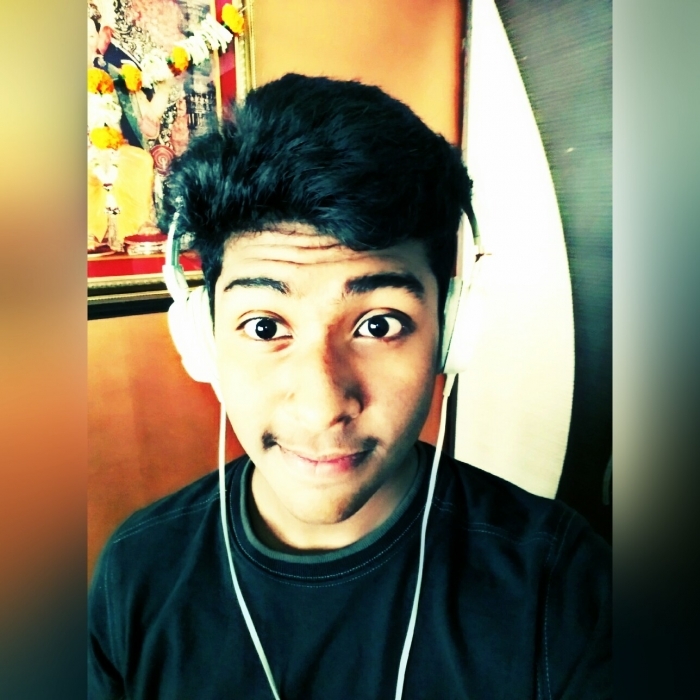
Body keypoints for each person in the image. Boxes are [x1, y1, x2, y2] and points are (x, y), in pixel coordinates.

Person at [88, 73, 611, 699]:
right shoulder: (136, 572)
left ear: (451, 332)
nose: (322, 406)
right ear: (204, 340)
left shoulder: (562, 584)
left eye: (379, 324)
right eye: (264, 326)